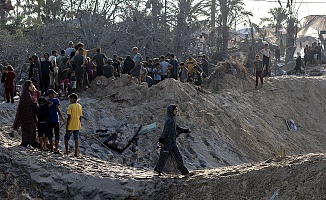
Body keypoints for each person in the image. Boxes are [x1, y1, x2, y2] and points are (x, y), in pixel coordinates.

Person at [154, 105, 191, 176]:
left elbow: (176, 128)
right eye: (175, 110)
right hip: (167, 143)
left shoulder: (172, 119)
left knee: (176, 157)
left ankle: (184, 172)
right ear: (171, 110)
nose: (176, 112)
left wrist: (185, 130)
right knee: (165, 157)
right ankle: (157, 171)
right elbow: (165, 131)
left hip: (172, 142)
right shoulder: (169, 120)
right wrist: (161, 141)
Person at [13, 80, 36, 147]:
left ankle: (26, 142)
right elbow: (29, 104)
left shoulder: (26, 93)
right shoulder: (26, 94)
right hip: (27, 115)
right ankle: (27, 143)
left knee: (27, 129)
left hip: (26, 115)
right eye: (30, 85)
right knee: (28, 129)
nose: (32, 87)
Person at [48, 89, 65, 154]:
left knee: (50, 134)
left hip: (49, 120)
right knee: (57, 134)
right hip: (55, 119)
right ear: (52, 94)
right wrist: (62, 117)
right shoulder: (56, 100)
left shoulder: (47, 101)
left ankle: (52, 148)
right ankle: (56, 149)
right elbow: (57, 109)